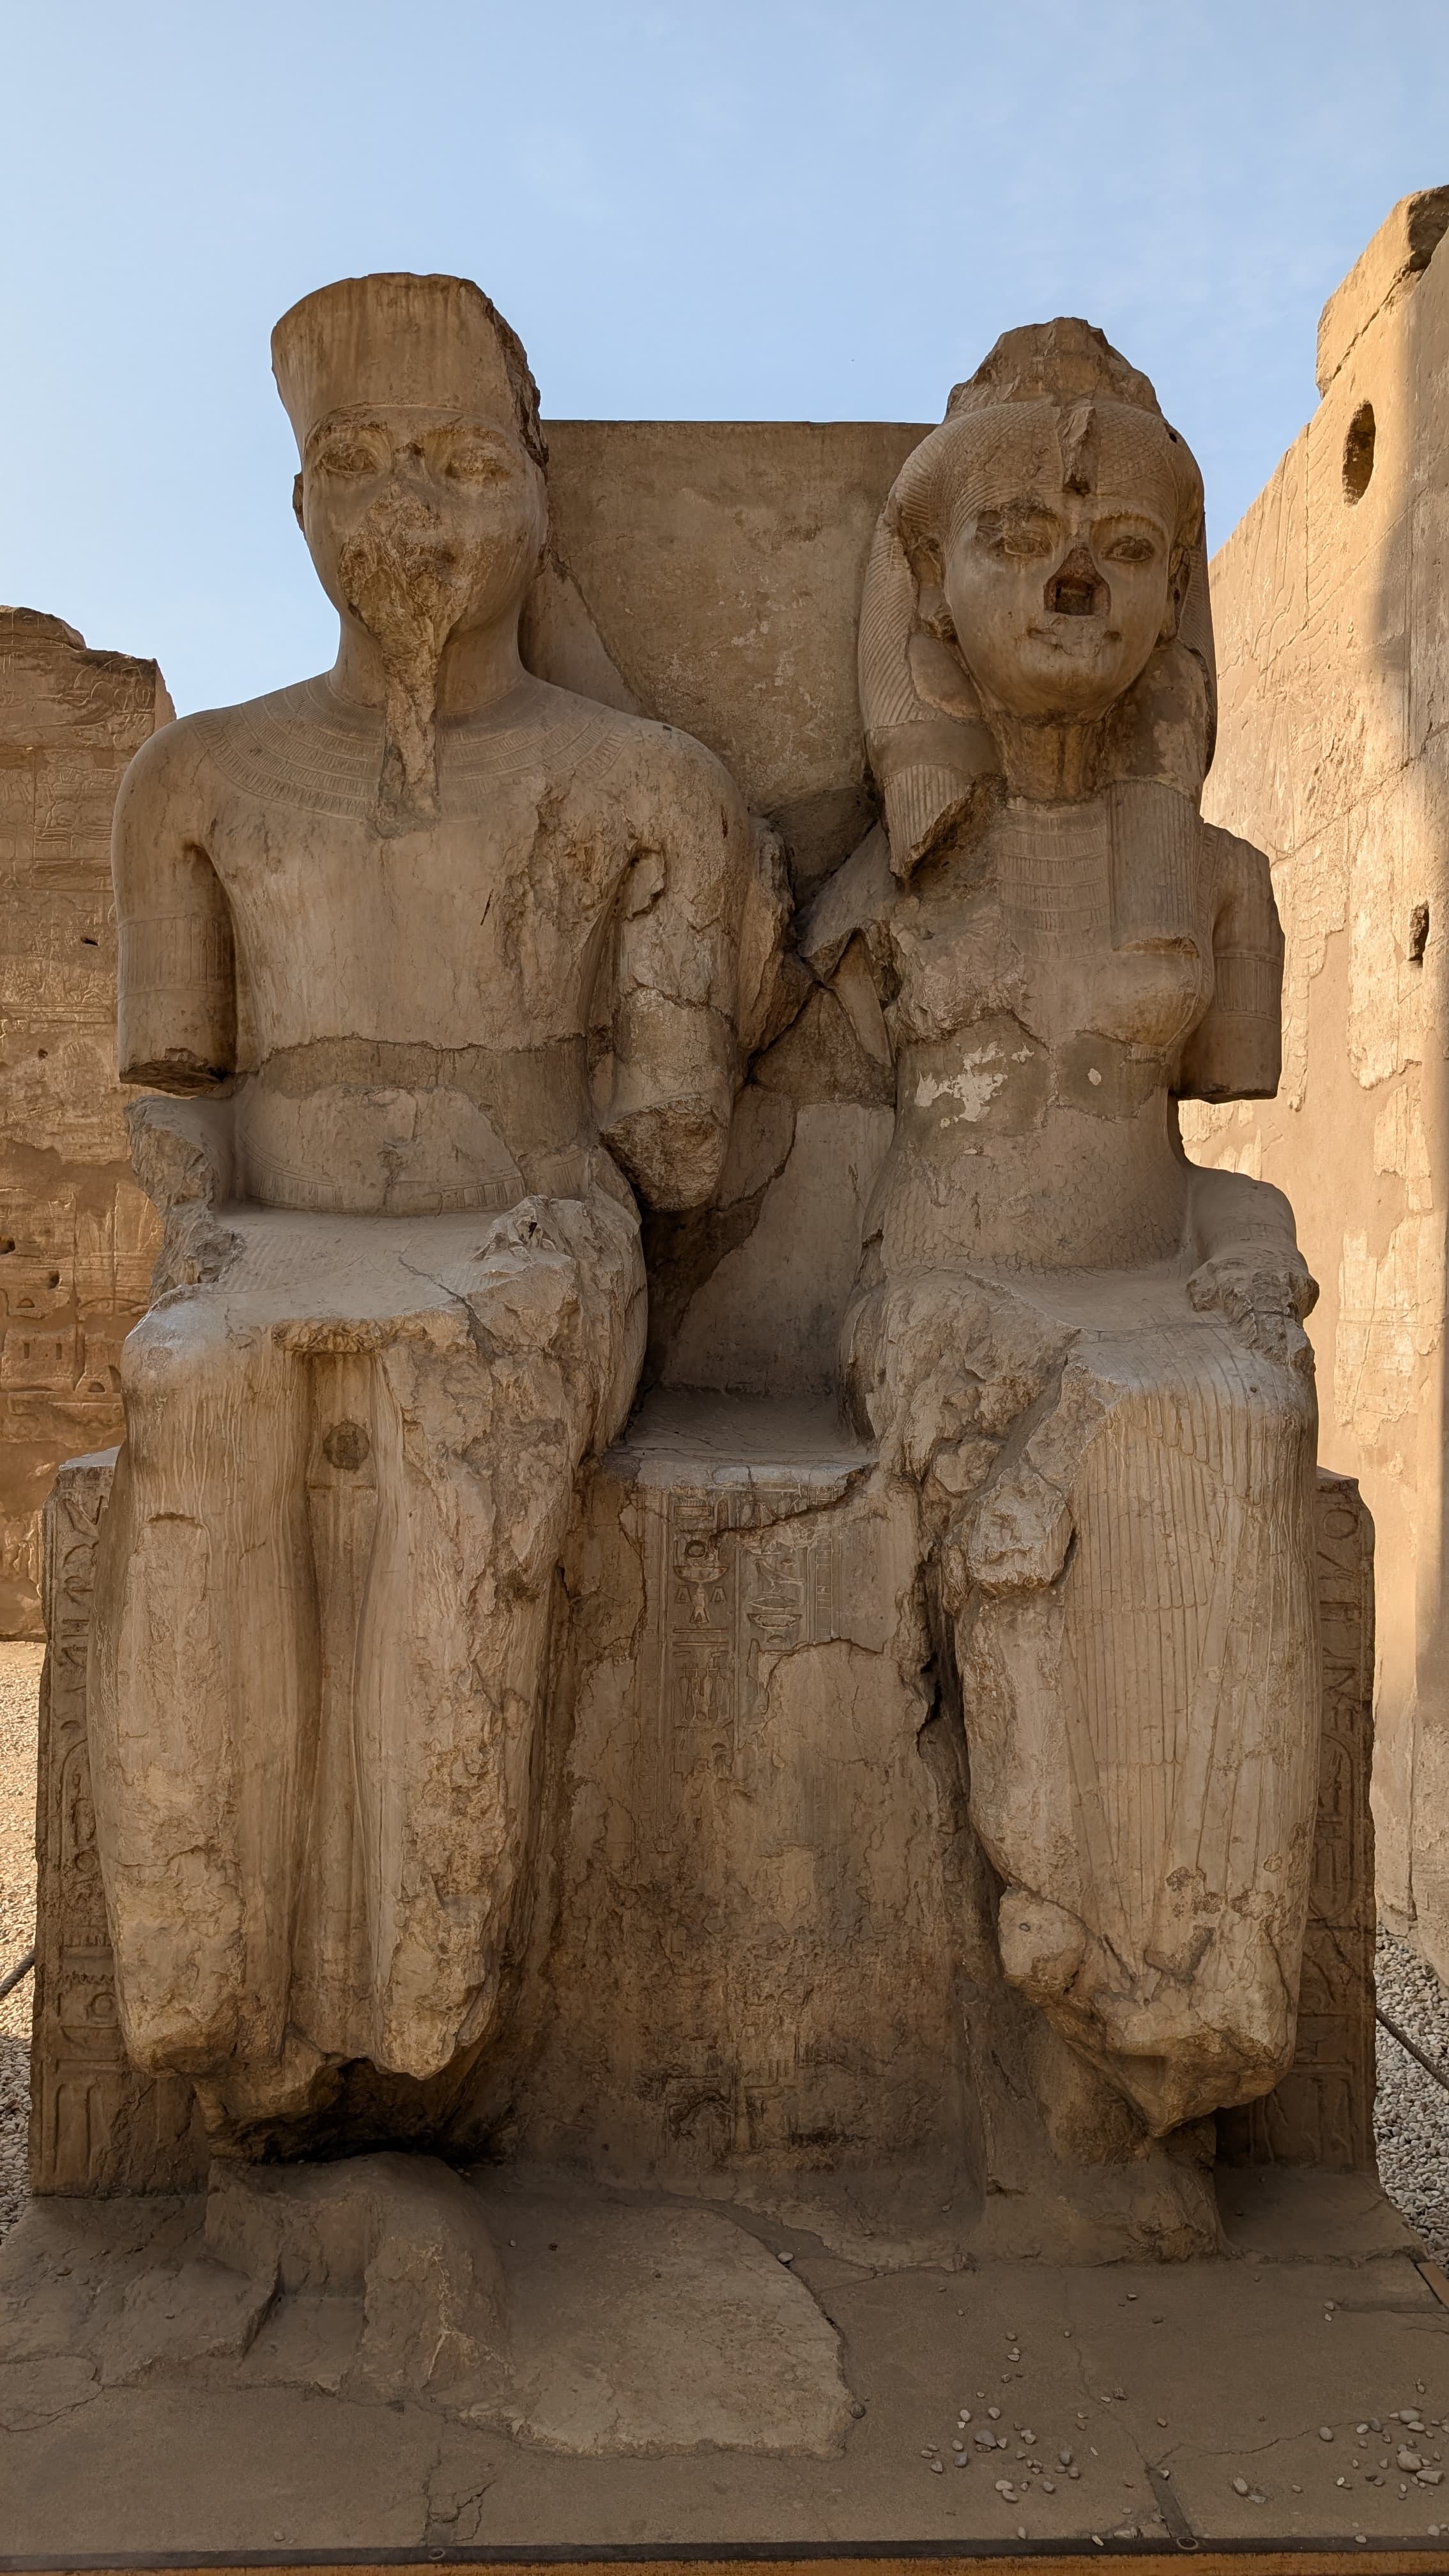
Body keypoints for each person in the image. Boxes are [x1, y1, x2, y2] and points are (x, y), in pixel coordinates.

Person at [89, 272, 753, 2136]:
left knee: (455, 1398)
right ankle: (206, 1991)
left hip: (533, 1246)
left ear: (541, 491)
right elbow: (179, 1102)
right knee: (200, 1393)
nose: (408, 510)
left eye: (460, 462)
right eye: (357, 464)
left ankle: (413, 2005)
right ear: (296, 501)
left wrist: (719, 974)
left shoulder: (645, 787)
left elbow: (672, 1146)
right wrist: (204, 1241)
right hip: (270, 1247)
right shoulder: (194, 781)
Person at [836, 318, 1319, 2133]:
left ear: (1173, 607)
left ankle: (1195, 1984)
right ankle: (1077, 1933)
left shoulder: (1217, 885)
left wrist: (1239, 1249)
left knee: (1232, 1422)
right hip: (945, 1299)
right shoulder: (880, 881)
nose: (1066, 581)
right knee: (1147, 1430)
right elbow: (769, 1165)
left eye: (1120, 554)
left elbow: (1214, 1150)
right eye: (1017, 544)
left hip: (1136, 1285)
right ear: (922, 589)